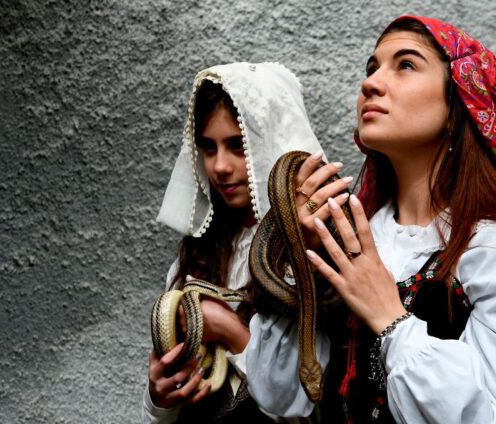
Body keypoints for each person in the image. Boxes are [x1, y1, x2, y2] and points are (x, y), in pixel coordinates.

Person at [245, 16, 496, 423]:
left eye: (405, 65)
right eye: (371, 68)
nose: (370, 83)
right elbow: (281, 398)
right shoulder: (354, 239)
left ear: (459, 104)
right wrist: (297, 255)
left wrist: (391, 319)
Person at [142, 62, 345, 423]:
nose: (219, 166)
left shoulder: (317, 253)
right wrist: (159, 398)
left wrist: (230, 332)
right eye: (208, 147)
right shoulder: (200, 247)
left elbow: (298, 408)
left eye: (237, 145)